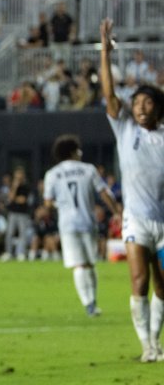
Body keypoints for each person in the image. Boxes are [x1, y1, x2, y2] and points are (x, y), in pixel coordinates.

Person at [99, 19, 164, 362]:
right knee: (138, 281)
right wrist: (105, 54)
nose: (139, 107)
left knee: (162, 286)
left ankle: (156, 339)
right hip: (136, 220)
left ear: (158, 107)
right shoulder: (125, 128)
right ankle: (146, 347)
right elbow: (109, 94)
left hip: (163, 222)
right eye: (136, 102)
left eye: (147, 103)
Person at [43, 134, 122, 316]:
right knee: (90, 263)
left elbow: (48, 203)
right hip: (88, 222)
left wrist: (59, 205)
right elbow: (104, 193)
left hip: (67, 224)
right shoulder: (88, 169)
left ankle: (88, 304)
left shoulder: (52, 174)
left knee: (78, 265)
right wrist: (117, 212)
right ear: (72, 152)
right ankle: (92, 301)